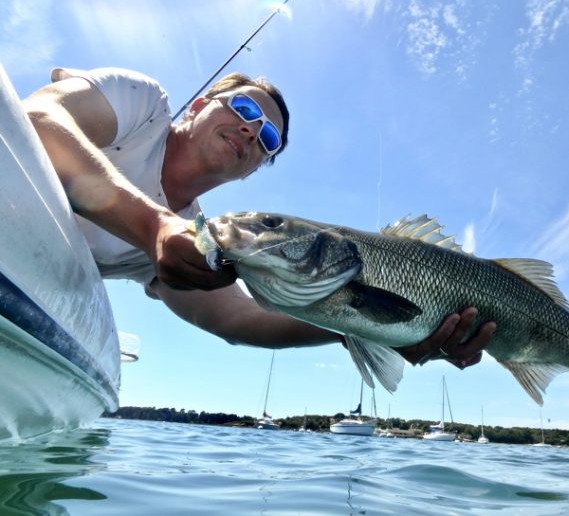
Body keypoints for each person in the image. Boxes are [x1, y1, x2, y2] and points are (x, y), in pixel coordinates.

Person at [22, 67, 496, 368]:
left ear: (254, 169)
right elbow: (38, 118)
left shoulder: (197, 241)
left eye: (268, 139)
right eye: (244, 108)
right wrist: (154, 227)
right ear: (201, 105)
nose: (252, 129)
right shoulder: (142, 103)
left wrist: (372, 330)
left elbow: (239, 319)